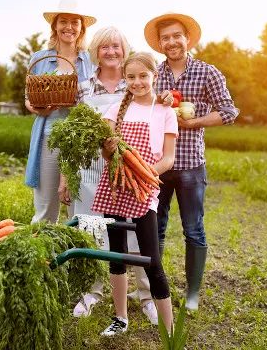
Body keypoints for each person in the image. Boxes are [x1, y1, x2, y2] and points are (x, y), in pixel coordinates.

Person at [60, 27, 164, 324]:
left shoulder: (134, 82)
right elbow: (72, 135)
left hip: (127, 173)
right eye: (104, 47)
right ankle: (90, 292)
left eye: (116, 46)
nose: (111, 52)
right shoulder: (83, 86)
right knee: (91, 232)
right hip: (90, 171)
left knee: (137, 236)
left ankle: (147, 296)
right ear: (96, 52)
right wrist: (66, 176)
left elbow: (157, 110)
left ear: (125, 49)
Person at [144, 13, 239, 311]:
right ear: (160, 44)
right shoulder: (153, 74)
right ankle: (155, 288)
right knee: (154, 228)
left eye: (176, 36)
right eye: (165, 38)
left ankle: (192, 294)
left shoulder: (207, 72)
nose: (171, 42)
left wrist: (193, 122)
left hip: (190, 165)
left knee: (193, 229)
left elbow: (228, 112)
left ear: (187, 39)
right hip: (158, 164)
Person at [92, 52, 178, 336]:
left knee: (152, 260)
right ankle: (120, 318)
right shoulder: (116, 110)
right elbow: (107, 154)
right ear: (125, 79)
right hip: (115, 187)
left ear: (154, 75)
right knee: (116, 255)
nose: (137, 82)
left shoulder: (165, 112)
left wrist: (145, 174)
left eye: (143, 76)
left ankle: (169, 328)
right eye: (131, 77)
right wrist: (109, 147)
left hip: (144, 186)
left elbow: (168, 159)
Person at [24, 0, 96, 223]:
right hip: (49, 137)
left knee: (79, 205)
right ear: (55, 26)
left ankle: (76, 255)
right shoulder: (40, 59)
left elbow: (99, 98)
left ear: (81, 28)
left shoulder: (91, 61)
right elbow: (28, 99)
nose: (69, 27)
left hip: (81, 141)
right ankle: (44, 256)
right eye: (63, 21)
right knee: (45, 206)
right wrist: (38, 109)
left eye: (75, 22)